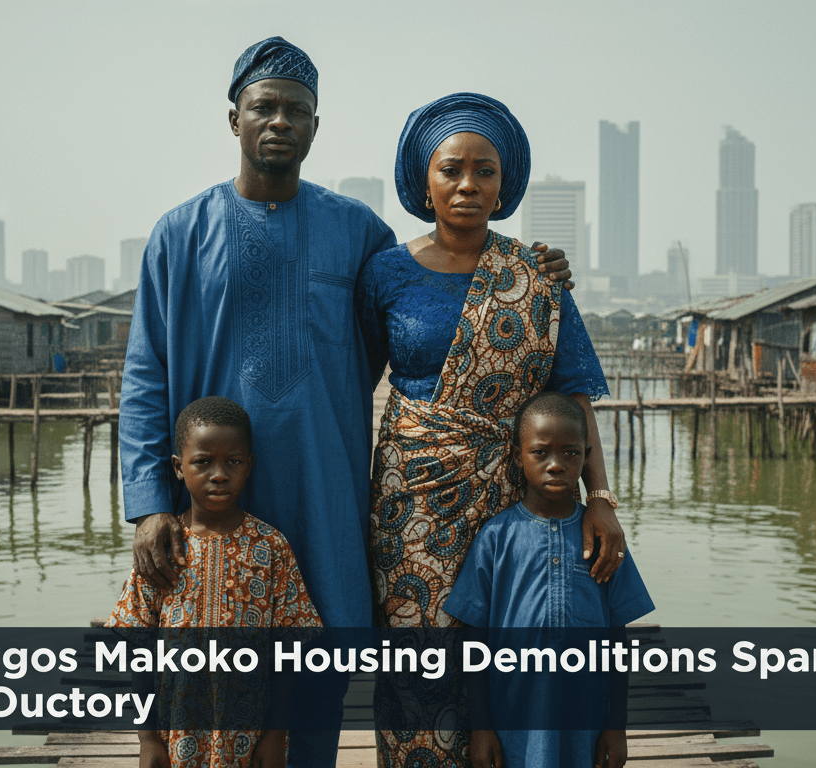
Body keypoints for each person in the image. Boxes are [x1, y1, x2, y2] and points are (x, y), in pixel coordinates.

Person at [119, 39, 570, 767]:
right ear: (233, 119)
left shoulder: (357, 233)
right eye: (263, 107)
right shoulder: (179, 234)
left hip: (323, 489)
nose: (279, 122)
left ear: (315, 127)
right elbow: (145, 373)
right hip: (206, 496)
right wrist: (149, 504)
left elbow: (430, 306)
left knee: (317, 664)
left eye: (296, 110)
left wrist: (530, 270)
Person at [356, 92, 625, 765]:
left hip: (516, 498)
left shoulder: (535, 276)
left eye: (485, 171)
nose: (468, 185)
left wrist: (601, 499)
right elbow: (349, 382)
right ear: (425, 181)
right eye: (452, 170)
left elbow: (573, 398)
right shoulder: (386, 272)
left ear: (505, 186)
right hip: (410, 501)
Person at [443, 391, 655, 768]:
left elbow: (618, 636)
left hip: (585, 724)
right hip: (513, 724)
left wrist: (617, 725)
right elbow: (474, 637)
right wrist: (481, 727)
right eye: (541, 452)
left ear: (586, 456)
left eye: (570, 453)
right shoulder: (496, 538)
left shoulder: (603, 541)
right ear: (517, 456)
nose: (556, 464)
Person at [108, 396, 322, 768]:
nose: (219, 474)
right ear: (178, 467)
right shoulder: (163, 547)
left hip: (250, 736)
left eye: (233, 462)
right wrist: (147, 739)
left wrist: (276, 734)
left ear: (249, 465)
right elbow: (136, 645)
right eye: (203, 462)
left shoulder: (271, 547)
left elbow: (291, 648)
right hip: (177, 738)